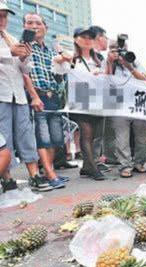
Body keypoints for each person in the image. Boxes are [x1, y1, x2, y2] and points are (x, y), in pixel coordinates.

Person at [0, 4, 52, 192]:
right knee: (4, 138)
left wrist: (24, 58)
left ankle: (34, 175)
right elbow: (8, 56)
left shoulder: (12, 38)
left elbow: (24, 70)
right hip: (2, 96)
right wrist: (10, 53)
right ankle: (7, 178)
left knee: (26, 135)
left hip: (18, 95)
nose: (2, 20)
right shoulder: (10, 45)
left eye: (4, 16)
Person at [53, 26, 106, 180]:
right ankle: (93, 168)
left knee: (95, 135)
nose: (87, 40)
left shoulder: (98, 59)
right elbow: (57, 70)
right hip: (80, 100)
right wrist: (62, 57)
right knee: (86, 133)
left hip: (97, 100)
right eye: (83, 37)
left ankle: (86, 167)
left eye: (90, 37)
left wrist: (100, 74)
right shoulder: (72, 59)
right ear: (76, 39)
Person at [24, 13, 68, 189]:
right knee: (42, 139)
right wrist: (34, 96)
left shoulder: (51, 51)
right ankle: (50, 174)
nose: (34, 26)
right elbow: (23, 73)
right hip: (37, 96)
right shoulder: (24, 47)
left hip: (53, 97)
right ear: (25, 26)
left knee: (56, 139)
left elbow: (58, 75)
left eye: (38, 23)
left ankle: (50, 172)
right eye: (29, 23)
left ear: (45, 28)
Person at [104, 39, 146, 178]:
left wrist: (130, 67)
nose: (121, 53)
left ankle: (139, 163)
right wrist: (110, 62)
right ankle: (125, 165)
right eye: (117, 50)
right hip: (119, 107)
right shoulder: (108, 63)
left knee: (143, 137)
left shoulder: (135, 62)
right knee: (121, 138)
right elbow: (105, 82)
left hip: (138, 104)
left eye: (123, 49)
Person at [89, 25, 113, 171]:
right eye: (106, 37)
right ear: (99, 38)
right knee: (90, 134)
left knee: (98, 133)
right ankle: (90, 163)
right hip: (89, 98)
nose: (107, 41)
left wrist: (109, 62)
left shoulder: (101, 57)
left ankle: (96, 161)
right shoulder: (87, 55)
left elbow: (108, 77)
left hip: (100, 98)